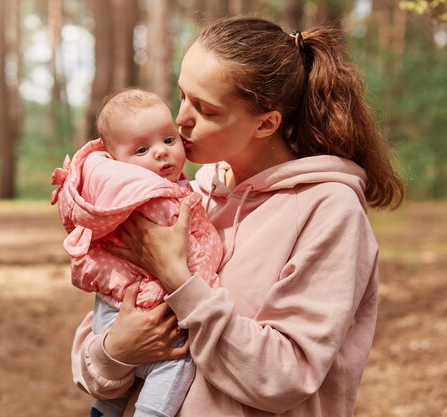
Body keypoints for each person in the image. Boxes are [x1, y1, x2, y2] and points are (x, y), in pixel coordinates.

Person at [70, 16, 405, 417]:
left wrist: (179, 278)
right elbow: (96, 358)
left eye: (206, 109)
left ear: (266, 123)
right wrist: (116, 351)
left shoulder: (329, 210)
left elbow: (285, 376)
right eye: (183, 96)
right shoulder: (190, 196)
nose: (181, 120)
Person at [51, 88, 223, 417]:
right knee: (178, 362)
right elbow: (196, 252)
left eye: (168, 140)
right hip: (148, 306)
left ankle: (105, 408)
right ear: (115, 161)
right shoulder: (154, 199)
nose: (161, 153)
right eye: (142, 148)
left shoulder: (112, 194)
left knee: (118, 385)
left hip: (114, 307)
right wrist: (209, 287)